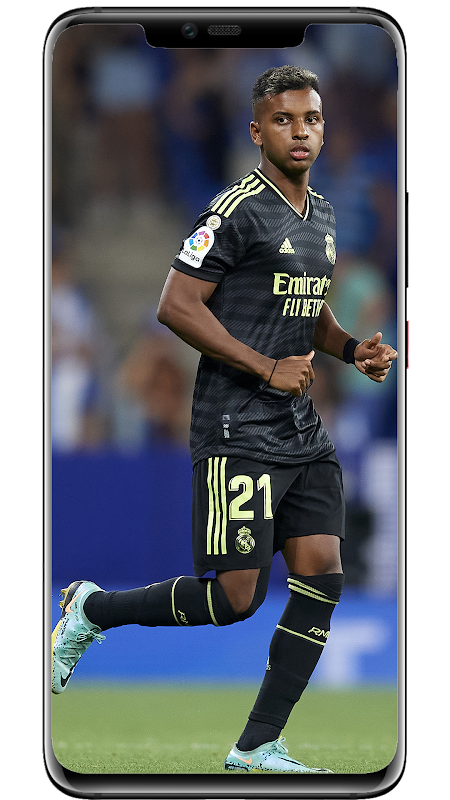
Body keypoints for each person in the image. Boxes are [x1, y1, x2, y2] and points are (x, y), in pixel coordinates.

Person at [51, 66, 397, 773]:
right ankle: (93, 610)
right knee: (238, 598)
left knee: (323, 571)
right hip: (236, 425)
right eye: (284, 120)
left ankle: (257, 745)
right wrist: (265, 368)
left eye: (311, 119)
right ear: (257, 131)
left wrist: (349, 349)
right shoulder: (235, 210)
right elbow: (175, 305)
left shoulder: (323, 216)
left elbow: (306, 309)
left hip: (298, 425)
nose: (300, 132)